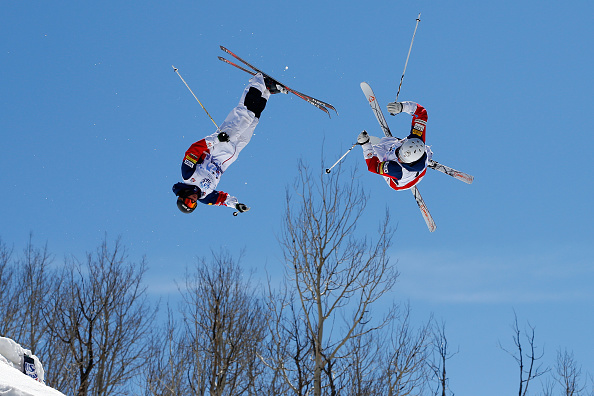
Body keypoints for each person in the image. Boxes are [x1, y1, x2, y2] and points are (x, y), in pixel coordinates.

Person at [172, 73, 284, 214]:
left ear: (182, 197)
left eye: (189, 201)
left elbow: (194, 150)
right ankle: (266, 91)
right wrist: (236, 205)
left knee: (244, 115)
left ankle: (258, 81)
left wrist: (216, 139)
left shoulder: (188, 175)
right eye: (193, 205)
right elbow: (222, 200)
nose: (193, 200)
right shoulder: (206, 197)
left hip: (218, 148)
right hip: (230, 156)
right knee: (252, 122)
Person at [356, 100, 432, 191]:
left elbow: (372, 166)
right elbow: (421, 113)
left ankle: (382, 146)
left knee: (379, 150)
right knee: (393, 142)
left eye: (401, 158)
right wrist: (402, 107)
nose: (398, 156)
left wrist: (365, 145)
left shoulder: (395, 168)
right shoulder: (417, 138)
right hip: (420, 170)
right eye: (399, 153)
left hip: (398, 183)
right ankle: (427, 160)